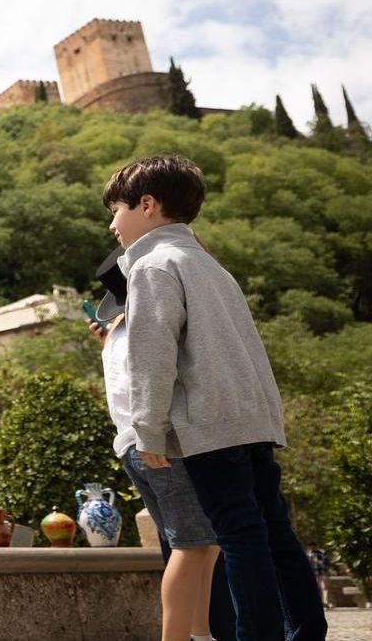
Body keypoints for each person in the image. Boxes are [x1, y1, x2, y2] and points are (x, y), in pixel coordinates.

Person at [104, 154, 327, 641]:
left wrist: (148, 429)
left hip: (209, 425)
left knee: (239, 535)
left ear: (147, 204)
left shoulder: (152, 266)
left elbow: (152, 355)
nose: (113, 224)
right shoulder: (211, 265)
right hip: (253, 419)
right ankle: (308, 630)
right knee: (275, 533)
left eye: (117, 210)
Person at [91, 255, 223, 641]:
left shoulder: (114, 334)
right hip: (157, 443)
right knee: (192, 545)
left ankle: (200, 634)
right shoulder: (141, 329)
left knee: (202, 542)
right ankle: (181, 636)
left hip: (134, 446)